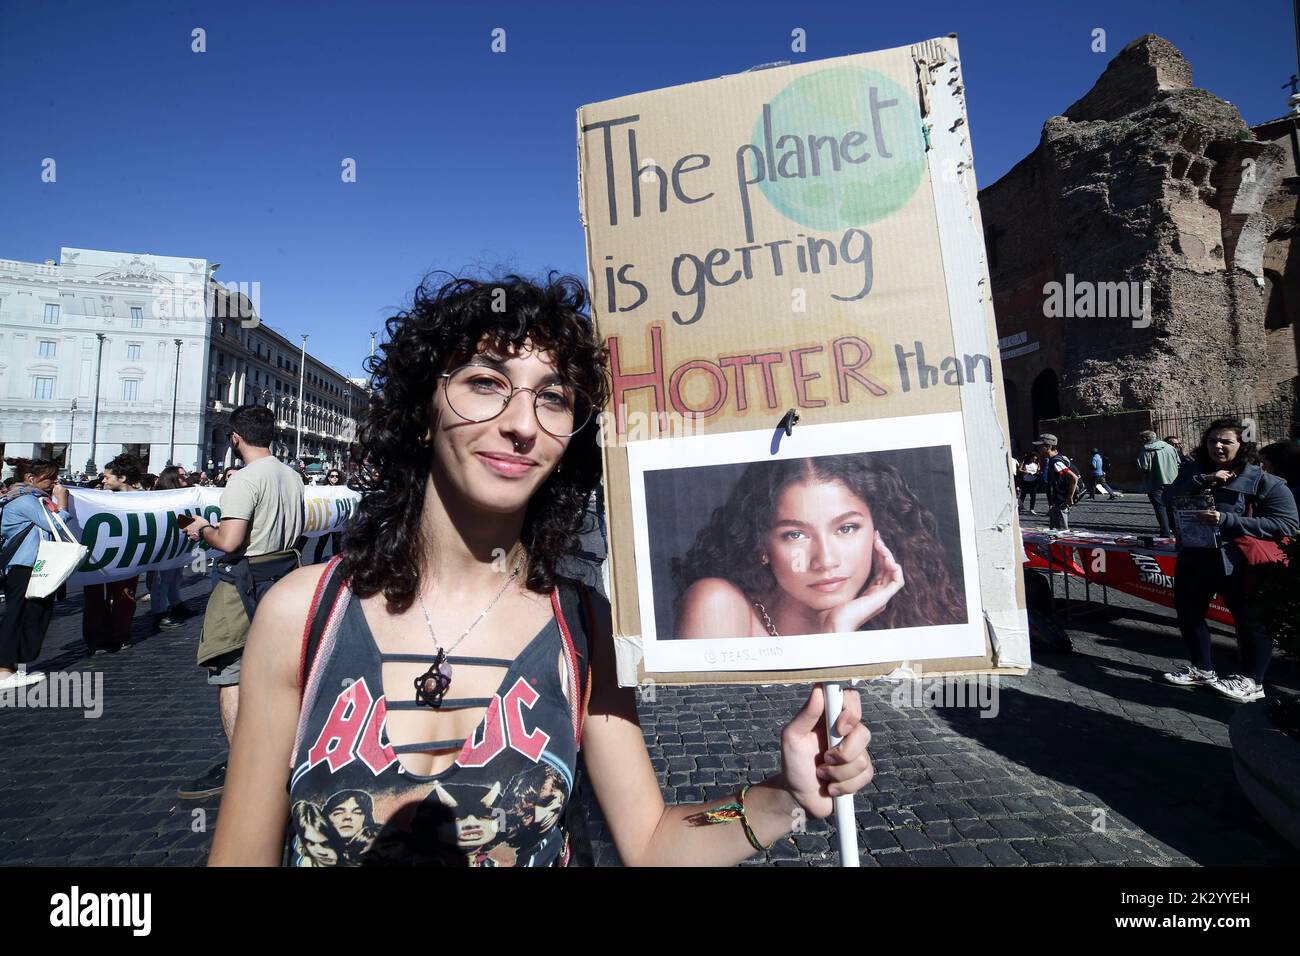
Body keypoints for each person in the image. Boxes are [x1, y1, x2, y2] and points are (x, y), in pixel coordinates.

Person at [207, 273, 874, 867]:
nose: (522, 423)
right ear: (420, 413)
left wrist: (780, 800)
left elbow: (652, 841)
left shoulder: (583, 627)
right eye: (486, 383)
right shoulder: (303, 613)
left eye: (552, 397)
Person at [672, 455, 964, 639]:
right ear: (761, 545)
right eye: (795, 535)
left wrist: (838, 627)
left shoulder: (902, 619)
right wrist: (834, 635)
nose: (825, 560)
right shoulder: (717, 604)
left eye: (846, 528)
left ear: (878, 531)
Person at [179, 405, 304, 800]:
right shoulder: (292, 476)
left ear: (235, 438)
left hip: (243, 581)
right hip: (284, 577)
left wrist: (203, 530)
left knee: (229, 670)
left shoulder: (244, 479)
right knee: (276, 672)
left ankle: (243, 763)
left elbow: (231, 541)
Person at [1162, 419, 1299, 702]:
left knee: (1249, 621)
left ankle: (1252, 681)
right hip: (1195, 556)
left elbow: (1287, 524)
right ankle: (1202, 669)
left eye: (1226, 441)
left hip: (1237, 562)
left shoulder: (1265, 482)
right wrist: (1203, 481)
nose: (1218, 446)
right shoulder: (1193, 473)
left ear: (1242, 446)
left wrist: (1228, 520)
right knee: (1189, 615)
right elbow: (1168, 497)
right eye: (1212, 441)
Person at [0, 458, 72, 690]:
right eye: (50, 477)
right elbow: (56, 524)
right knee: (19, 615)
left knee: (32, 614)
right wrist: (63, 501)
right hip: (25, 565)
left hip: (31, 564)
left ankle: (12, 666)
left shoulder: (28, 498)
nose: (54, 482)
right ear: (31, 478)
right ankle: (3, 670)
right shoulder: (25, 501)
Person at [82, 452, 145, 653]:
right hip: (99, 555)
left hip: (128, 556)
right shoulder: (98, 497)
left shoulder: (143, 499)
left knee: (124, 596)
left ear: (122, 478)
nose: (103, 480)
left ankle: (120, 634)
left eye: (107, 476)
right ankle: (97, 639)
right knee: (94, 597)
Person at [146, 465, 194, 632]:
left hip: (178, 543)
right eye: (181, 476)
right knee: (162, 579)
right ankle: (159, 612)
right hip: (164, 544)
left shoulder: (185, 495)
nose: (185, 478)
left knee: (175, 575)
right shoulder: (159, 497)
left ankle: (176, 603)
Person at [1137, 430, 1180, 537]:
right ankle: (1177, 531)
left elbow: (1143, 467)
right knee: (1172, 508)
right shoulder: (1170, 447)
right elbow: (1178, 462)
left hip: (1155, 482)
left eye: (1141, 439)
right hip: (1173, 481)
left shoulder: (1146, 450)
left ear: (1145, 439)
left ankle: (1165, 532)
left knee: (1160, 508)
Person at [1034, 435, 1077, 531]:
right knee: (1054, 531)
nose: (1038, 448)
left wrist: (1069, 497)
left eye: (1040, 446)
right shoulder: (1055, 459)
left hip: (1060, 502)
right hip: (1056, 501)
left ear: (1048, 446)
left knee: (1061, 533)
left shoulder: (1056, 462)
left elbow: (1074, 478)